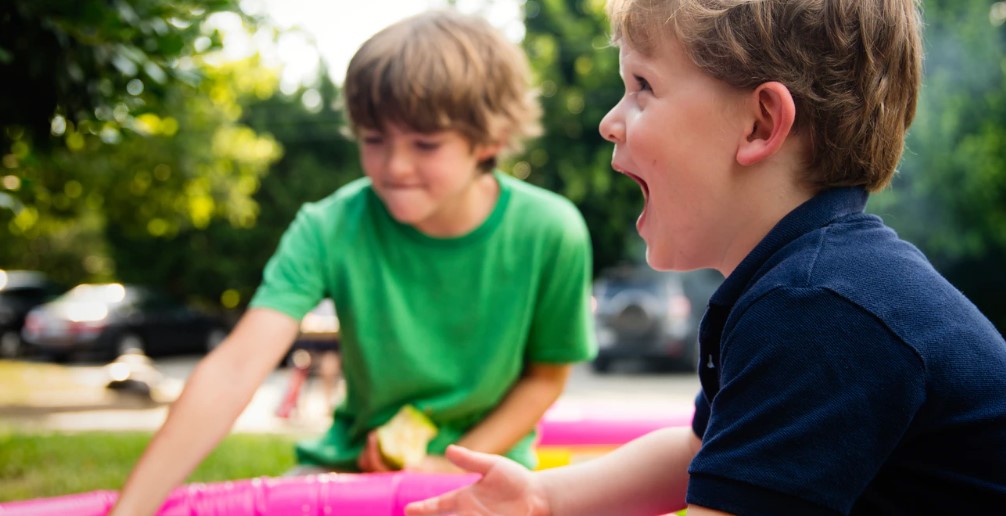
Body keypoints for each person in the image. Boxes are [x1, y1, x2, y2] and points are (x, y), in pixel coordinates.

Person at [406, 0, 1006, 514]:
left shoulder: (821, 310)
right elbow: (701, 452)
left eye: (642, 87)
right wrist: (545, 498)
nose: (609, 121)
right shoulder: (804, 282)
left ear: (760, 123)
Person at [110, 9, 596, 515]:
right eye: (373, 139)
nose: (394, 166)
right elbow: (235, 369)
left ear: (489, 141)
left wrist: (452, 462)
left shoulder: (551, 231)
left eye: (425, 144)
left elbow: (545, 377)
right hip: (350, 467)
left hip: (490, 469)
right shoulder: (328, 227)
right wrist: (132, 511)